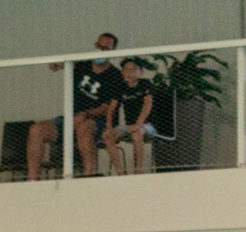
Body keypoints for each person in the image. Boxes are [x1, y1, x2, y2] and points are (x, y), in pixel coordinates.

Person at [26, 33, 125, 181]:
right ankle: (32, 179)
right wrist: (58, 64)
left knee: (85, 127)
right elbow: (64, 64)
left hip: (99, 123)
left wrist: (85, 114)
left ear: (113, 51)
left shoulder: (115, 76)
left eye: (106, 49)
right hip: (71, 118)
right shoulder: (82, 65)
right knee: (36, 129)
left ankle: (89, 176)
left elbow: (107, 108)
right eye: (99, 46)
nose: (101, 51)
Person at [102, 58, 154, 176]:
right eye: (126, 70)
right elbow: (111, 109)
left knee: (136, 134)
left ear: (141, 71)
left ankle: (138, 171)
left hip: (147, 125)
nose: (129, 72)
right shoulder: (120, 87)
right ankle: (120, 172)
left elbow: (147, 105)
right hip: (129, 126)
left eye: (133, 69)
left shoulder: (145, 84)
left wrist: (138, 124)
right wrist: (109, 127)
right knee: (108, 137)